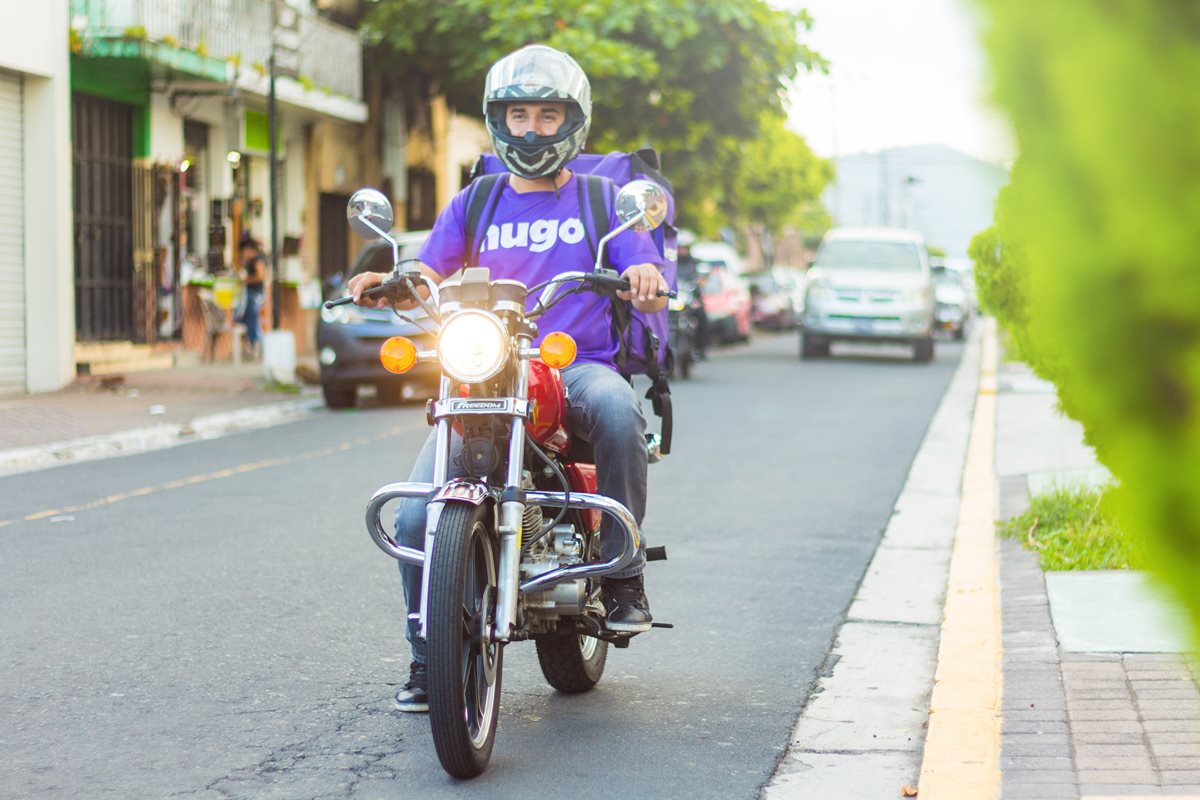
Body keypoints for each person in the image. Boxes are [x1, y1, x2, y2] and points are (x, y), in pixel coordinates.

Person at [348, 44, 668, 714]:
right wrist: (389, 279)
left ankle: (623, 574)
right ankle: (427, 660)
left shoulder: (605, 199)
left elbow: (643, 262)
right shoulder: (478, 198)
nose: (530, 128)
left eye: (547, 115)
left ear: (571, 120)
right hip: (484, 366)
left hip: (572, 364)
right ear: (498, 120)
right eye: (517, 114)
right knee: (412, 516)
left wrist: (644, 276)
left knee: (616, 412)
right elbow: (429, 270)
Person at [237, 234, 267, 360]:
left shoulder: (257, 260)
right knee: (248, 320)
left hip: (255, 295)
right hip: (253, 295)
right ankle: (250, 348)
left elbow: (261, 276)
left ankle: (254, 348)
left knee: (252, 320)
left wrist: (246, 280)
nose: (243, 254)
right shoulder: (253, 260)